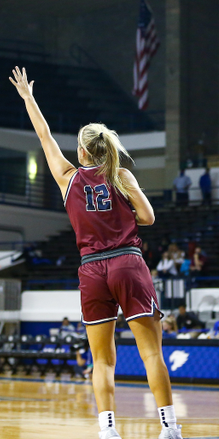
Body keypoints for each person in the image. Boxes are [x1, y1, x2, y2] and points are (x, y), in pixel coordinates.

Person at [10, 66, 183, 439]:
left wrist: (28, 97)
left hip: (91, 270)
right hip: (127, 262)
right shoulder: (122, 175)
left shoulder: (66, 177)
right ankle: (169, 429)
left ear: (82, 150)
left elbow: (43, 136)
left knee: (102, 359)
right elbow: (149, 217)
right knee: (151, 353)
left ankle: (108, 430)